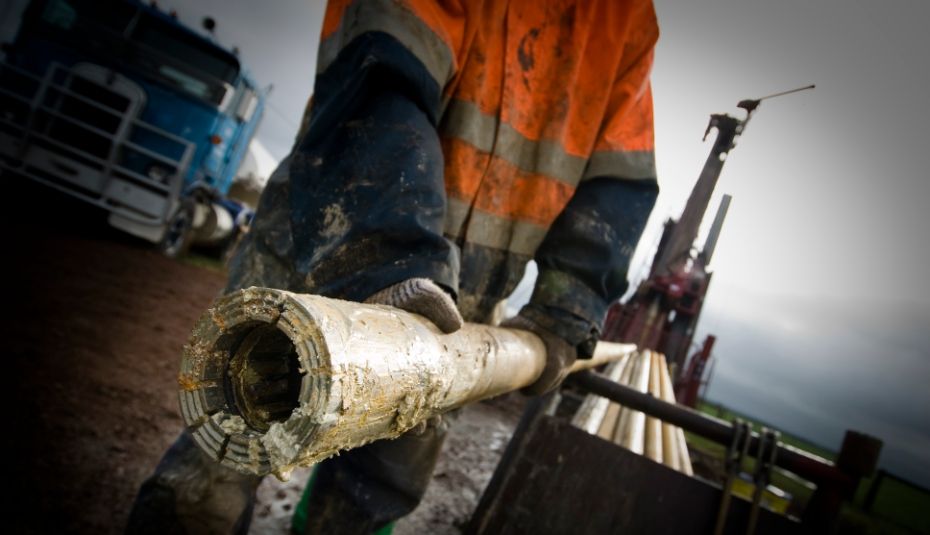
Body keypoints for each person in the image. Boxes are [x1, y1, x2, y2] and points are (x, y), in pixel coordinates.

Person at [126, 0, 660, 533]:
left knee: (374, 492)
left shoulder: (625, 18)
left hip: (464, 310)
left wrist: (566, 311)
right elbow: (382, 70)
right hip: (325, 237)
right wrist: (393, 252)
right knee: (229, 444)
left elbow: (617, 187)